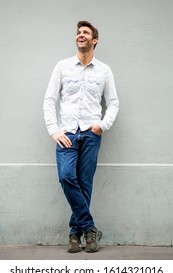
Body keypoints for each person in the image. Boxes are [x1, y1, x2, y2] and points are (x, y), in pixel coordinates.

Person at [43, 21, 119, 253]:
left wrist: (103, 125)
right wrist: (54, 130)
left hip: (91, 133)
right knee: (67, 177)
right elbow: (49, 100)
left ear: (94, 40)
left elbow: (113, 102)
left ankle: (75, 234)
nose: (80, 35)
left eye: (85, 33)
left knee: (85, 184)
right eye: (78, 33)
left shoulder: (104, 70)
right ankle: (90, 227)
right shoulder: (62, 67)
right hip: (66, 133)